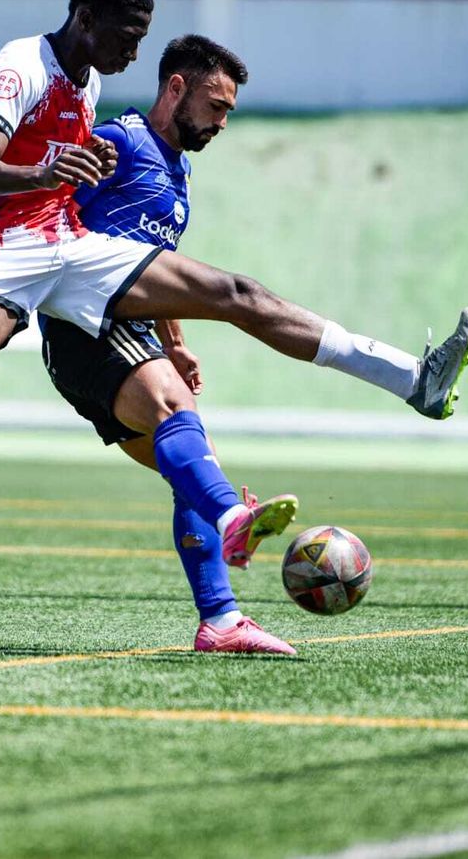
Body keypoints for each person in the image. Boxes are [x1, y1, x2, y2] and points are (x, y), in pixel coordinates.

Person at [0, 0, 468, 655]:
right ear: (86, 19)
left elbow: (124, 240)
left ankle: (403, 387)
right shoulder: (23, 69)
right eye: (130, 38)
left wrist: (172, 335)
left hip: (71, 251)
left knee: (222, 339)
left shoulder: (96, 88)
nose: (135, 54)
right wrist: (44, 172)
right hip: (5, 249)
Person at [40, 34, 297, 654]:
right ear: (175, 88)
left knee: (190, 467)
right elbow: (48, 204)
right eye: (216, 104)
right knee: (180, 422)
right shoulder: (121, 140)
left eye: (229, 110)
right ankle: (235, 521)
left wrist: (174, 343)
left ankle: (221, 620)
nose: (222, 121)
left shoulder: (177, 175)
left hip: (126, 334)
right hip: (88, 327)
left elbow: (156, 270)